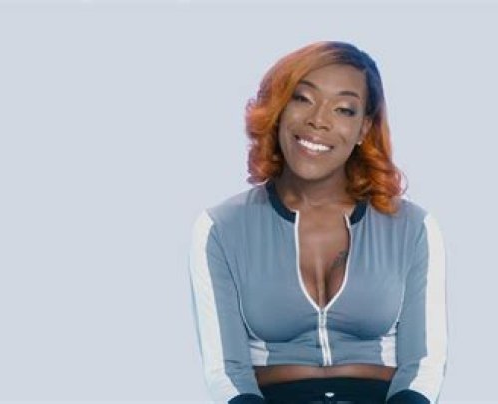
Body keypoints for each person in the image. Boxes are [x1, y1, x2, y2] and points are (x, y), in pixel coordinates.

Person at [188, 41, 447, 404]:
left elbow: (423, 364)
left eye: (343, 109)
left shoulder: (412, 227)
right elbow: (227, 371)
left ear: (363, 129)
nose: (319, 120)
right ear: (278, 109)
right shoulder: (221, 228)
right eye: (303, 98)